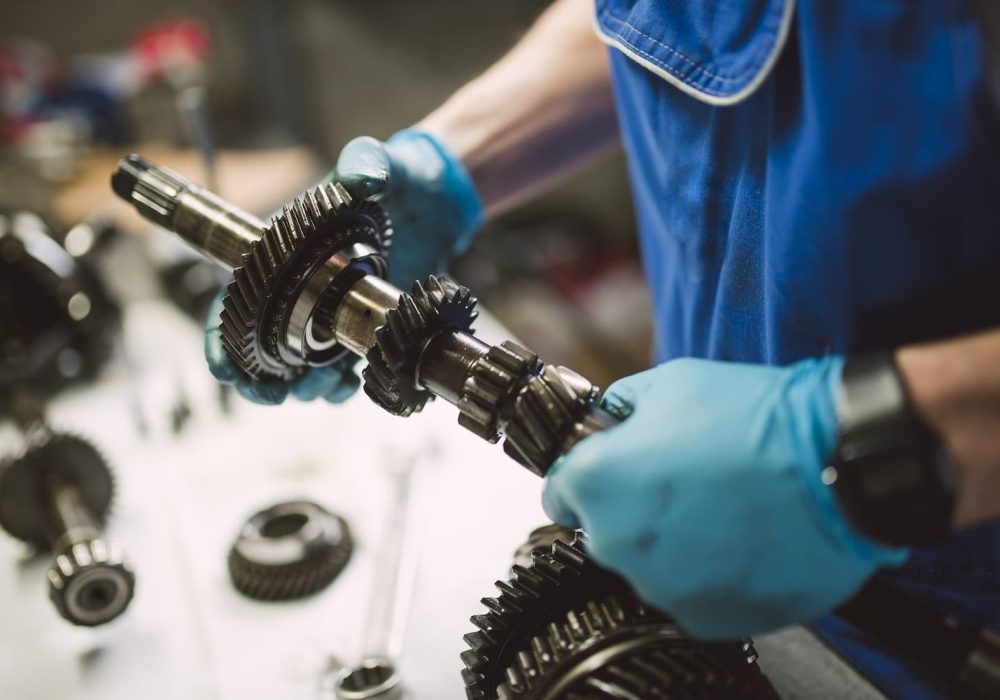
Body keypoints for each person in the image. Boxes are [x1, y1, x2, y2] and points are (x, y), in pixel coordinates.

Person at [205, 1, 1000, 696]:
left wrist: (877, 439)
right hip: (702, 522)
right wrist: (457, 160)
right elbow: (683, 19)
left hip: (948, 623)